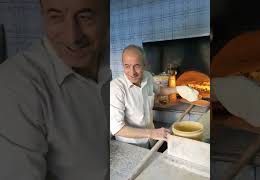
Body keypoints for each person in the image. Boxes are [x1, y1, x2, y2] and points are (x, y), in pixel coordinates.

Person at [0, 0, 110, 179]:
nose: (72, 37)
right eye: (55, 17)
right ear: (43, 14)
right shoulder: (14, 85)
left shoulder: (118, 60)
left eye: (85, 17)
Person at [110, 45, 197, 148]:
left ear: (144, 65)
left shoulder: (147, 76)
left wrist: (179, 89)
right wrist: (152, 133)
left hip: (151, 141)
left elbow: (159, 90)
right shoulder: (116, 88)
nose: (132, 72)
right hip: (131, 145)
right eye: (127, 66)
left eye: (137, 66)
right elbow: (117, 129)